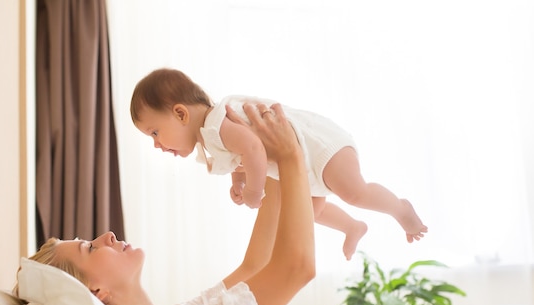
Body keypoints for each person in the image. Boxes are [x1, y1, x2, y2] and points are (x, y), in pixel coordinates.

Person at [20, 103, 534, 305]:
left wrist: (270, 173)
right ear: (96, 294)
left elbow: (254, 267)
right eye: (90, 248)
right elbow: (294, 269)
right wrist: (288, 158)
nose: (107, 234)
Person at [129, 68, 428, 260]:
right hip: (303, 164)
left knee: (354, 192)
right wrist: (239, 181)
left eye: (154, 132)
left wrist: (254, 192)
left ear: (181, 114)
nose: (156, 144)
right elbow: (241, 157)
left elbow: (254, 150)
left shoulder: (218, 123)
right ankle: (352, 226)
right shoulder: (213, 134)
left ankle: (400, 208)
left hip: (320, 147)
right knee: (307, 212)